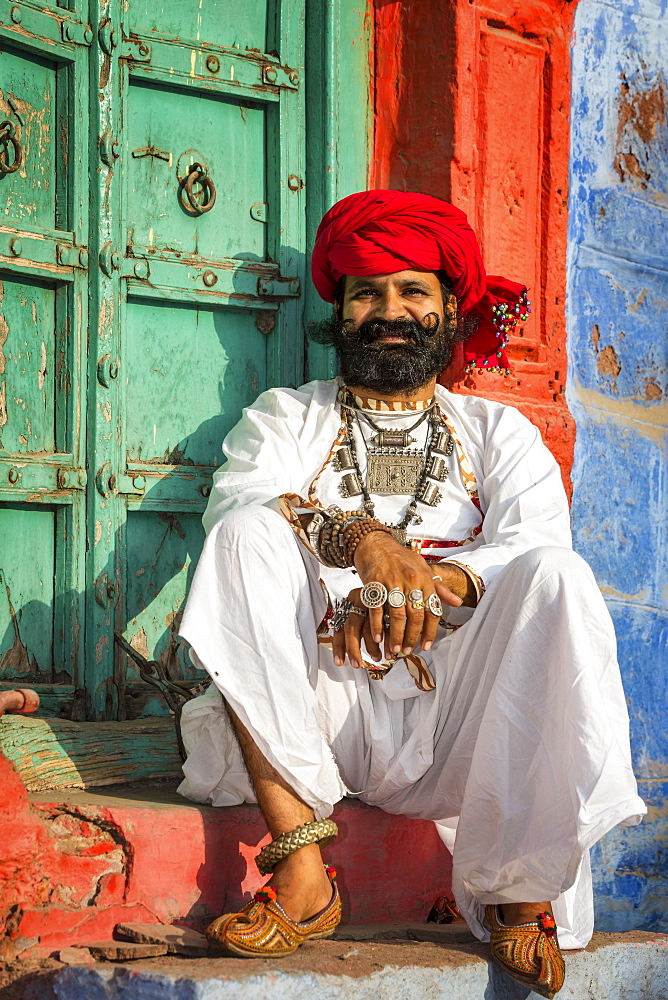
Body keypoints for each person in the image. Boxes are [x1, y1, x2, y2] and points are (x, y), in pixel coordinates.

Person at [177, 190, 645, 997]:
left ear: (449, 308)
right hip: (322, 711)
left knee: (558, 577)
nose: (388, 311)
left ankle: (519, 896)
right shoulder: (285, 419)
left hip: (464, 728)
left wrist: (433, 584)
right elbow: (240, 506)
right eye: (366, 292)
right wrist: (360, 543)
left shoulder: (498, 434)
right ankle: (303, 874)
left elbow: (536, 540)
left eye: (412, 292)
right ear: (342, 309)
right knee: (245, 532)